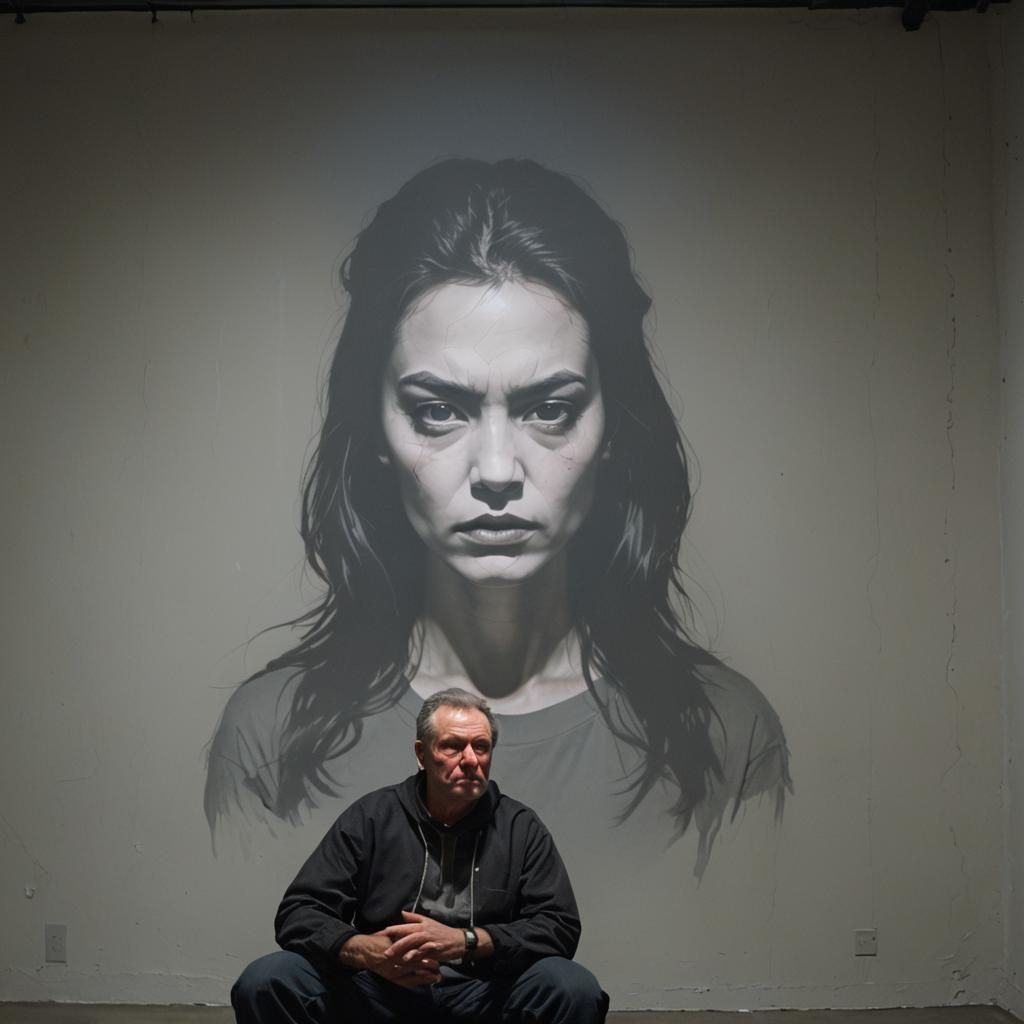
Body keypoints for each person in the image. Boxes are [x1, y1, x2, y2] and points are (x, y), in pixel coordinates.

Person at [206, 157, 790, 877]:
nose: (494, 472)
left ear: (612, 428)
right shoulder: (271, 738)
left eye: (548, 408)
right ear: (377, 432)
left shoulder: (726, 737)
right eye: (438, 410)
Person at [231, 688, 608, 1024]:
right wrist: (365, 951)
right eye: (452, 746)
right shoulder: (373, 816)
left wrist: (467, 941)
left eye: (481, 747)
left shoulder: (520, 827)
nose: (470, 759)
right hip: (378, 990)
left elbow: (558, 926)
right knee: (268, 979)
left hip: (483, 992)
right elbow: (299, 912)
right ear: (421, 754)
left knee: (571, 987)